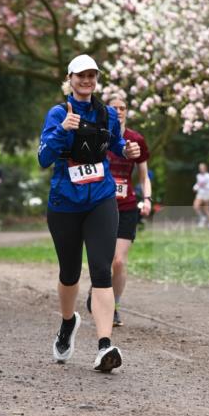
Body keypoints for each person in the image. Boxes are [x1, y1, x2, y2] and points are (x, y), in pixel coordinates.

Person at [38, 54, 127, 373]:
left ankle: (105, 346)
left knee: (102, 270)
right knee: (70, 272)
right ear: (70, 79)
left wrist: (124, 149)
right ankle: (67, 322)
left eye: (92, 75)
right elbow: (43, 158)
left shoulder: (107, 113)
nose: (86, 80)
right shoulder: (59, 112)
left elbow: (114, 143)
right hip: (65, 203)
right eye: (81, 75)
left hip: (101, 199)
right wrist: (63, 130)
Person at [86, 92, 151, 327]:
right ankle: (99, 290)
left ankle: (113, 305)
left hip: (126, 206)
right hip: (101, 204)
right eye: (114, 107)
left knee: (119, 261)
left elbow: (144, 174)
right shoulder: (98, 135)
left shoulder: (136, 139)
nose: (119, 111)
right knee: (103, 260)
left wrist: (148, 198)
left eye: (123, 107)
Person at [193, 163, 209, 228]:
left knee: (207, 209)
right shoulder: (198, 176)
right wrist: (195, 187)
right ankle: (202, 218)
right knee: (196, 206)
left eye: (202, 168)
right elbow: (198, 184)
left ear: (205, 168)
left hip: (207, 194)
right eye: (200, 168)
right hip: (200, 193)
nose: (201, 169)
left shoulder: (208, 176)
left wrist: (203, 185)